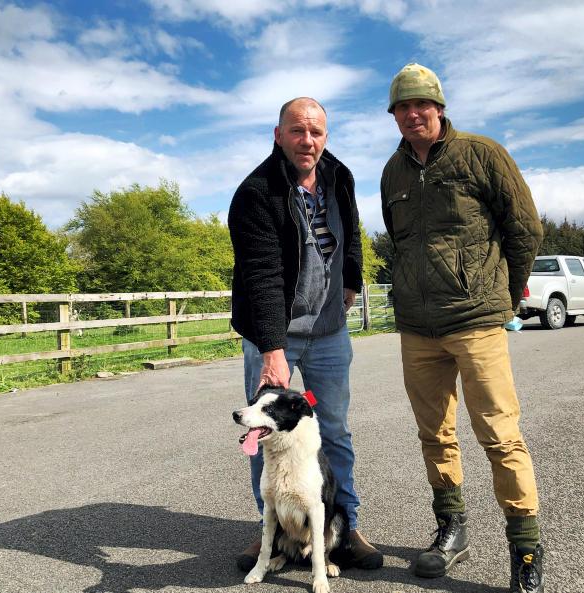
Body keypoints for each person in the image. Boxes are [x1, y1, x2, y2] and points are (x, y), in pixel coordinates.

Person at [380, 63, 546, 593]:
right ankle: (452, 528)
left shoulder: (482, 154)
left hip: (476, 321)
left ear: (440, 107)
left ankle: (525, 550)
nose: (411, 114)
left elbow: (524, 228)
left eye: (420, 105)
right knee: (435, 435)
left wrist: (503, 292)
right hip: (417, 328)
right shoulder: (393, 172)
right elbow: (401, 244)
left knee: (500, 435)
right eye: (402, 108)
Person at [228, 97, 383, 572]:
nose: (307, 140)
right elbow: (262, 275)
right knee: (265, 429)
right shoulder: (257, 192)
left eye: (316, 132)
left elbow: (351, 232)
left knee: (333, 429)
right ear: (279, 135)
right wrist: (273, 350)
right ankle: (269, 533)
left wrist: (352, 281)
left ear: (326, 136)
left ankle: (344, 526)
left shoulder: (340, 177)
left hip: (329, 332)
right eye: (297, 131)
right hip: (274, 333)